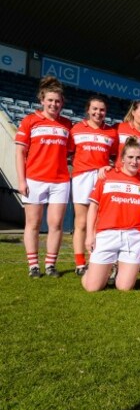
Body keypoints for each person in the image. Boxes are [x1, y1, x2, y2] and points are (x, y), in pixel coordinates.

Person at [15, 76, 72, 278]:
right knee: (33, 224)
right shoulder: (30, 120)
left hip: (60, 181)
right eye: (50, 100)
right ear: (42, 100)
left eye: (57, 101)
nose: (54, 104)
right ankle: (33, 266)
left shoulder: (67, 124)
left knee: (56, 224)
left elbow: (73, 152)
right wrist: (21, 180)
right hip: (35, 179)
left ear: (62, 103)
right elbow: (20, 152)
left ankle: (50, 265)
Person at [82, 137, 140, 292]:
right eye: (130, 157)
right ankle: (91, 271)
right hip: (107, 234)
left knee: (124, 287)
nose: (134, 161)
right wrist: (90, 235)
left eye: (138, 158)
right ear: (122, 159)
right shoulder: (106, 176)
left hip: (133, 237)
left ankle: (114, 270)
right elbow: (93, 207)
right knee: (93, 287)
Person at [69, 95, 118, 276]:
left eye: (102, 110)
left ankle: (95, 261)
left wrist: (109, 167)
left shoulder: (112, 132)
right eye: (95, 109)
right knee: (81, 221)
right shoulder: (76, 129)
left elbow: (115, 157)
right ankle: (80, 263)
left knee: (98, 222)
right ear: (88, 110)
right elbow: (69, 153)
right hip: (82, 177)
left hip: (102, 177)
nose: (98, 112)